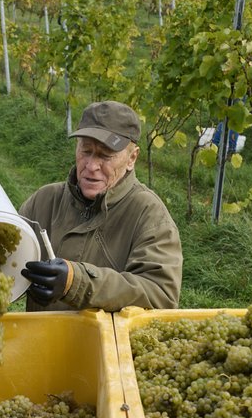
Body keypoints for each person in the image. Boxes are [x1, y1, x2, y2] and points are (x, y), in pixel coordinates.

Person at [18, 101, 182, 312]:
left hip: (107, 344)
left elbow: (161, 296)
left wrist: (77, 283)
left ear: (132, 158)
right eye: (86, 151)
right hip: (44, 340)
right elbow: (7, 258)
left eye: (105, 156)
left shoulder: (149, 215)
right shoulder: (45, 201)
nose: (91, 166)